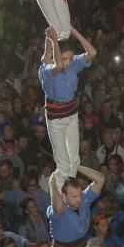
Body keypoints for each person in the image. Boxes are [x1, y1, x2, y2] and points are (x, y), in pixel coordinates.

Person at [40, 27, 96, 186]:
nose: (69, 62)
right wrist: (52, 41)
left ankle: (68, 194)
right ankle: (58, 194)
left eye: (71, 58)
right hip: (56, 119)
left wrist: (74, 32)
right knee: (63, 164)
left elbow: (92, 53)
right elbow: (57, 64)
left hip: (71, 114)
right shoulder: (45, 70)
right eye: (66, 58)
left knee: (74, 161)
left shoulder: (72, 65)